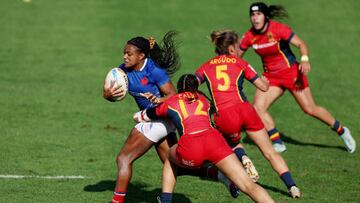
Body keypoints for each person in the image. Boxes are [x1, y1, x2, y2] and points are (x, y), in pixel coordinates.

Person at [134, 74, 275, 203]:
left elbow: (141, 117)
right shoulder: (204, 99)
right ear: (196, 87)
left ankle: (165, 200)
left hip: (191, 146)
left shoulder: (171, 101)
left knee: (170, 158)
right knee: (248, 185)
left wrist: (143, 112)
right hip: (215, 142)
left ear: (178, 88)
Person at [195, 30, 301, 198]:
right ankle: (292, 186)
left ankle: (243, 156)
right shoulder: (240, 62)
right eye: (237, 46)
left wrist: (209, 101)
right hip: (245, 110)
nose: (239, 49)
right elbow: (264, 87)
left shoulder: (206, 66)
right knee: (269, 152)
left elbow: (191, 85)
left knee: (231, 142)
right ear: (231, 48)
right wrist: (266, 81)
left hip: (224, 115)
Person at [239, 2, 356, 153]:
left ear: (266, 16)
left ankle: (342, 131)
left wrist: (305, 59)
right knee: (258, 108)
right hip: (271, 78)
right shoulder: (249, 36)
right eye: (252, 15)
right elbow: (236, 56)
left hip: (292, 74)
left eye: (258, 14)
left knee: (309, 109)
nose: (255, 18)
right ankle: (277, 142)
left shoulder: (278, 29)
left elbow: (301, 44)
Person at [103, 31, 180, 203]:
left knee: (124, 158)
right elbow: (111, 94)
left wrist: (159, 99)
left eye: (129, 54)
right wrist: (107, 95)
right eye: (124, 53)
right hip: (154, 120)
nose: (124, 57)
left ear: (141, 55)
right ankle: (222, 175)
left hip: (161, 119)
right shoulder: (123, 71)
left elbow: (174, 97)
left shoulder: (155, 71)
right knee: (176, 162)